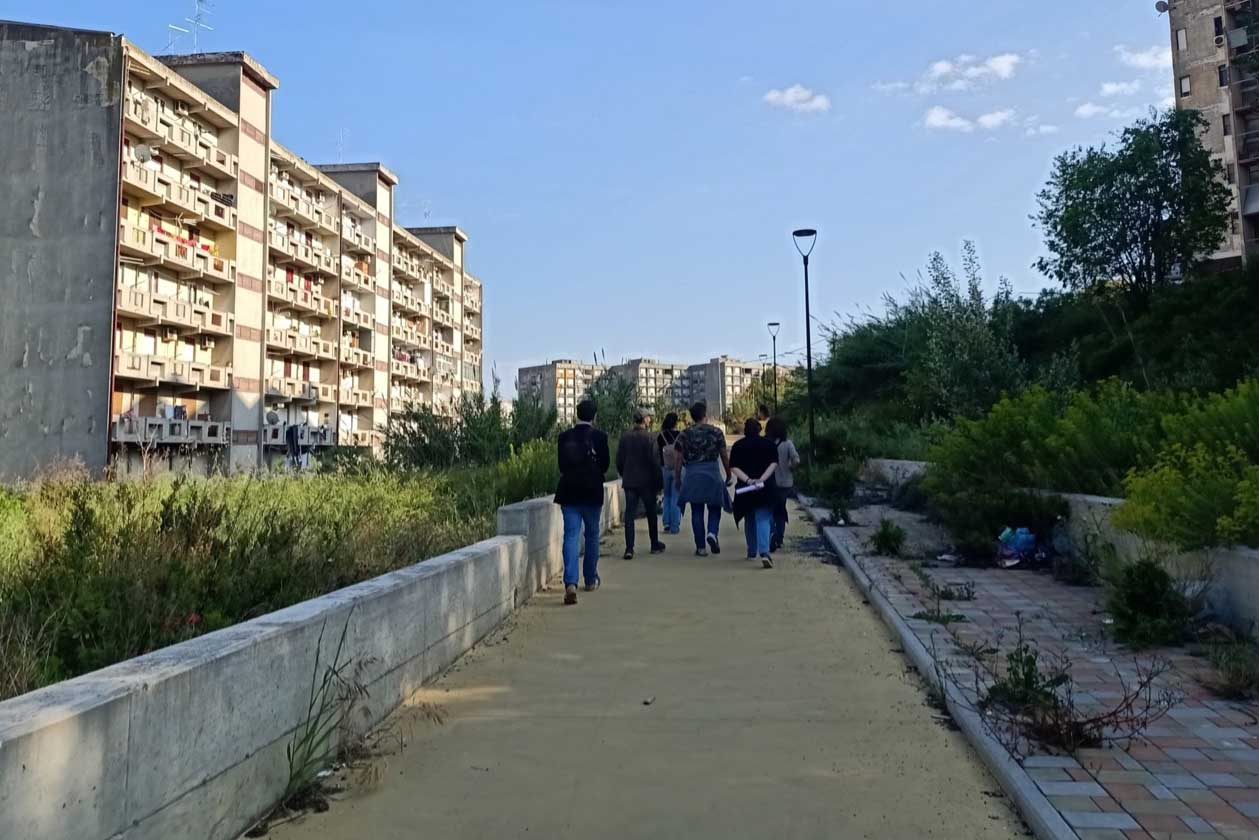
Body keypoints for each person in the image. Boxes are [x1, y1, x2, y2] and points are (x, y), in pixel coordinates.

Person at [554, 399, 611, 605]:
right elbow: (604, 465)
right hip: (592, 491)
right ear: (594, 416)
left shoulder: (564, 437)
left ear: (577, 414)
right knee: (592, 534)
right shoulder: (600, 437)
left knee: (571, 535)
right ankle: (590, 579)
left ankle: (570, 582)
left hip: (569, 491)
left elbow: (561, 465)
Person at [675, 401, 731, 556]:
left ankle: (700, 547)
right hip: (712, 473)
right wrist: (729, 474)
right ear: (705, 415)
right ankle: (712, 532)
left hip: (692, 475)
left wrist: (678, 478)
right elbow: (724, 455)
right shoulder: (716, 432)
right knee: (715, 506)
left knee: (696, 510)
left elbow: (678, 459)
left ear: (692, 417)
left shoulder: (684, 434)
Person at [730, 418, 780, 568]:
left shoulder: (738, 446)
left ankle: (752, 551)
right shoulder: (769, 444)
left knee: (749, 519)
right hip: (765, 488)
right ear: (759, 430)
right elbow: (773, 463)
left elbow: (733, 467)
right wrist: (761, 479)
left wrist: (749, 480)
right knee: (763, 518)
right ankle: (764, 552)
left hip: (746, 489)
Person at [617, 410, 667, 559]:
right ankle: (654, 544)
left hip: (630, 481)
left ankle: (629, 548)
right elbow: (655, 462)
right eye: (649, 418)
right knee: (651, 513)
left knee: (630, 515)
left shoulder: (625, 437)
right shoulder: (650, 438)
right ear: (644, 420)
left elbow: (619, 460)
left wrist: (624, 473)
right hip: (647, 482)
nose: (650, 420)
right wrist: (659, 483)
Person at [766, 416, 801, 552]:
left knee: (769, 509)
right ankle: (779, 538)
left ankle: (772, 532)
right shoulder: (788, 444)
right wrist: (790, 466)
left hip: (770, 482)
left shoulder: (766, 444)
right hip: (785, 483)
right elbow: (796, 459)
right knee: (781, 510)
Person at [657, 412, 683, 534]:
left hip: (665, 469)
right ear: (676, 422)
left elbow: (657, 454)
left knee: (666, 496)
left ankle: (666, 522)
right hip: (678, 469)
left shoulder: (660, 436)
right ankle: (675, 526)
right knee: (676, 496)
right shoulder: (680, 435)